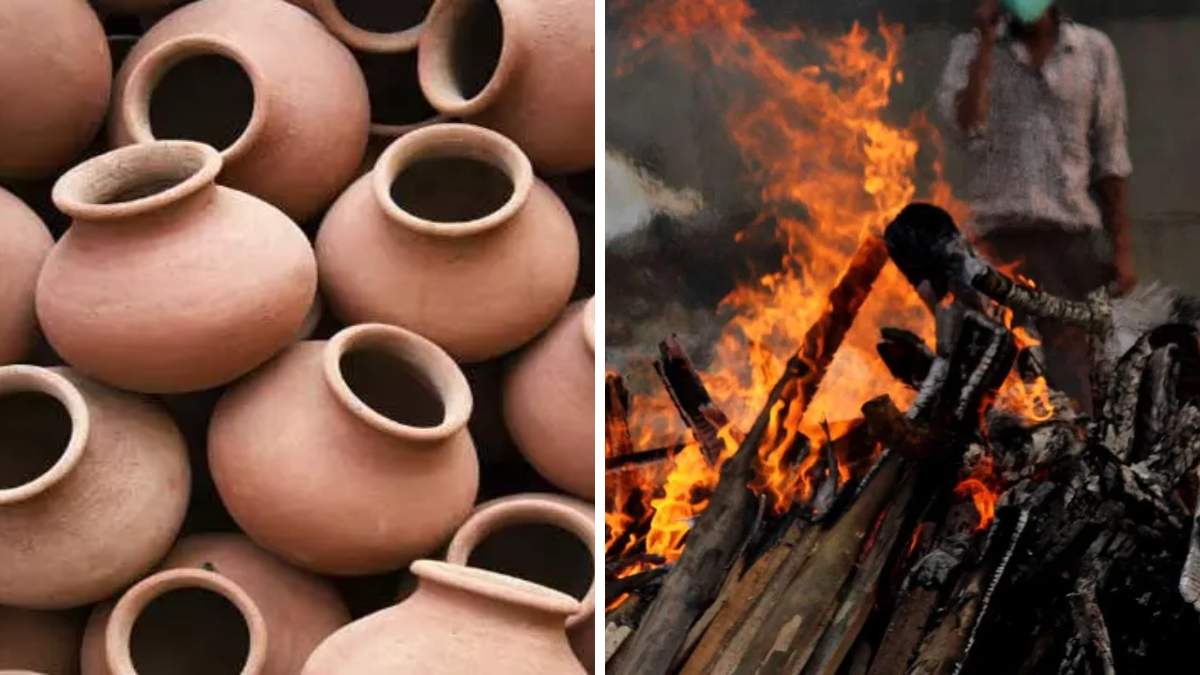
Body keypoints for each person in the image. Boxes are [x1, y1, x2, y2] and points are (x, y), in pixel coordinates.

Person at [934, 0, 1133, 414]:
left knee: (1071, 363)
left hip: (1068, 239)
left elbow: (1110, 156)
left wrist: (1122, 249)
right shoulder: (969, 50)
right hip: (998, 241)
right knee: (999, 364)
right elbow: (965, 124)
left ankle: (1076, 455)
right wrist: (987, 44)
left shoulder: (1093, 50)